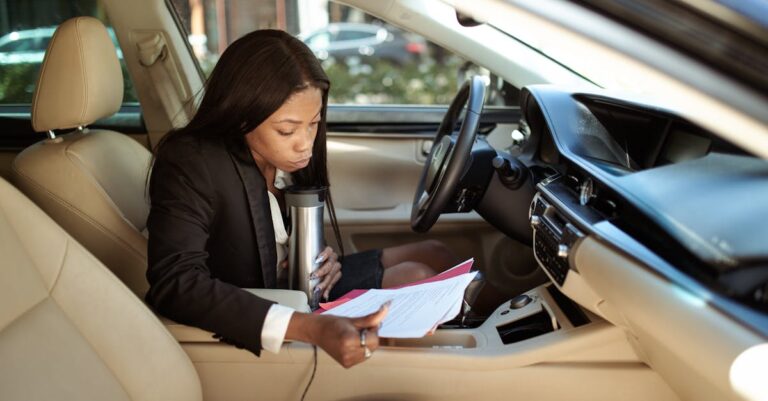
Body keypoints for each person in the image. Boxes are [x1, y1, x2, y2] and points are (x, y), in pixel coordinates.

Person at [146, 29, 459, 368]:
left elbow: (281, 239)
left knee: (436, 254)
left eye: (314, 124)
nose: (305, 143)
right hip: (269, 306)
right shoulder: (192, 162)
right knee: (415, 275)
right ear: (241, 115)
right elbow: (176, 283)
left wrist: (326, 259)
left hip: (304, 285)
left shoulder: (283, 162)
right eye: (287, 130)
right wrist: (312, 328)